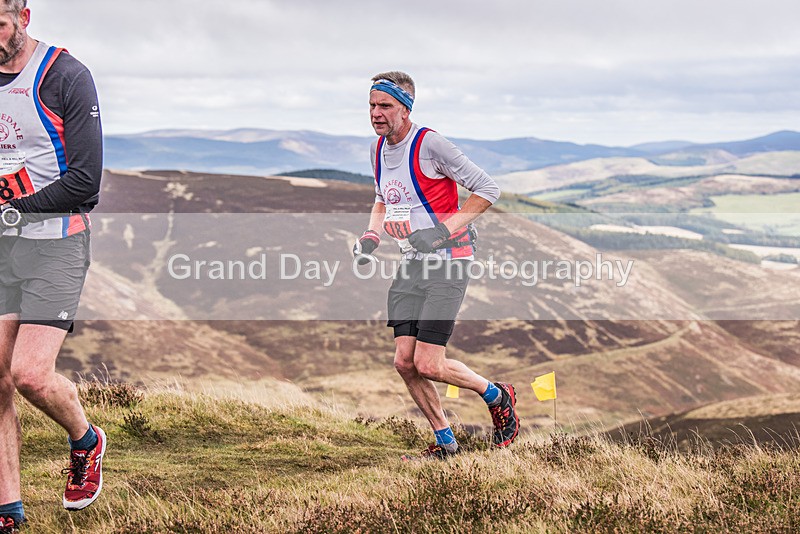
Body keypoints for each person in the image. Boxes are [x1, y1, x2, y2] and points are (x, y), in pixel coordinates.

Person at [354, 71, 519, 460]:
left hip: (449, 261)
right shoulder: (378, 148)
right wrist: (371, 236)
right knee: (404, 362)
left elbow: (488, 190)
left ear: (406, 108)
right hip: (412, 263)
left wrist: (442, 232)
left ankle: (497, 394)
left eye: (385, 106)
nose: (376, 114)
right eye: (372, 106)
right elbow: (383, 197)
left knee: (428, 363)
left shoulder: (430, 145)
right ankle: (446, 444)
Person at [0, 1, 105, 529]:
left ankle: (86, 440)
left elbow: (87, 182)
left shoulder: (65, 75)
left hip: (57, 242)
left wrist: (14, 207)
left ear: (24, 16)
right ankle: (7, 510)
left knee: (29, 376)